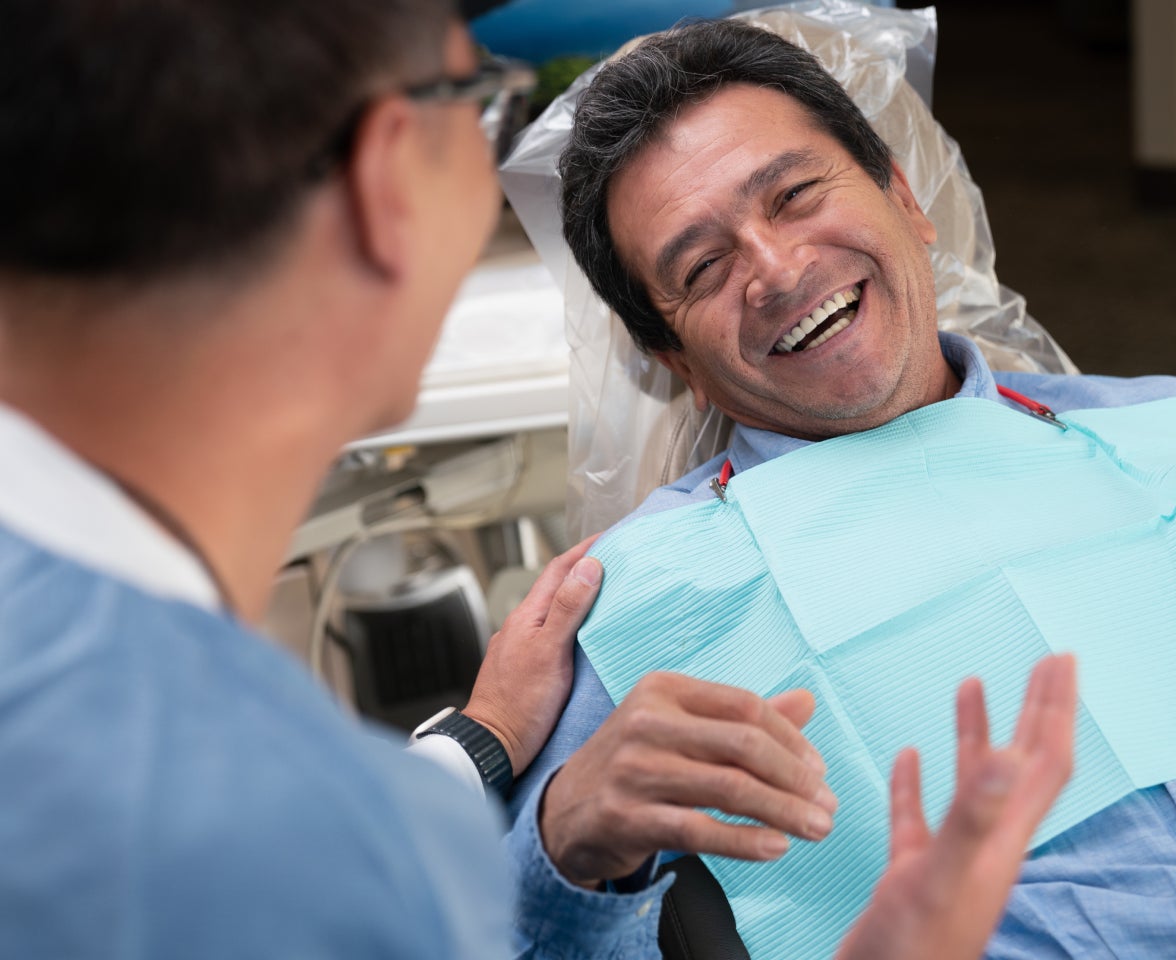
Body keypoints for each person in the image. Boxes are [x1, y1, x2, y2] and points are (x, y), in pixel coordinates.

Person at [0, 1, 1075, 957]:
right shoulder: (291, 846)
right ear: (389, 183)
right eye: (476, 99)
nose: (779, 268)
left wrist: (470, 753)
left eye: (797, 194)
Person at [511, 16, 1176, 960]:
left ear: (905, 199)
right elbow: (498, 928)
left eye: (794, 195)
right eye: (704, 267)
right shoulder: (647, 597)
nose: (780, 270)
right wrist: (566, 841)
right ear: (674, 360)